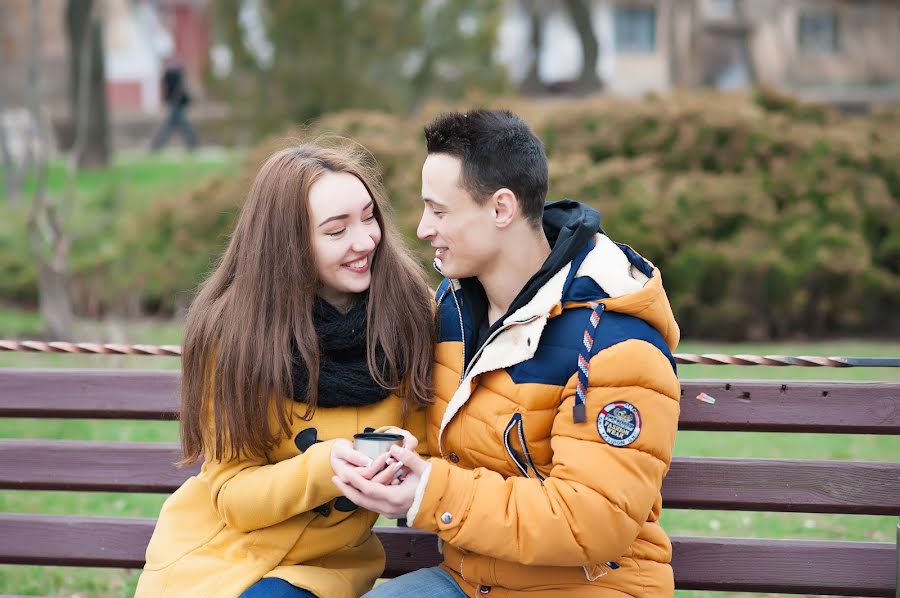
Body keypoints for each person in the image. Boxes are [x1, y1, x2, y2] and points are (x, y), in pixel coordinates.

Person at [333, 110, 682, 597]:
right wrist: (400, 456)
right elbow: (447, 445)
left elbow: (593, 519)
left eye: (439, 211)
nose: (422, 228)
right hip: (470, 583)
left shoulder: (615, 344)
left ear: (501, 209)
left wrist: (430, 491)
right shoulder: (451, 311)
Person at [135, 141, 435, 598]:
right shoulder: (235, 334)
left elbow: (434, 447)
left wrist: (410, 463)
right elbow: (232, 494)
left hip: (322, 569)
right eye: (337, 231)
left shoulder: (411, 315)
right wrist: (323, 468)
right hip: (216, 557)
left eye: (368, 216)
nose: (365, 240)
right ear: (289, 246)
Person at [150, 57, 198, 151]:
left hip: (176, 105)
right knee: (180, 126)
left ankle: (157, 145)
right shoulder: (172, 75)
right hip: (176, 105)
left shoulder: (174, 74)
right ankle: (192, 144)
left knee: (172, 127)